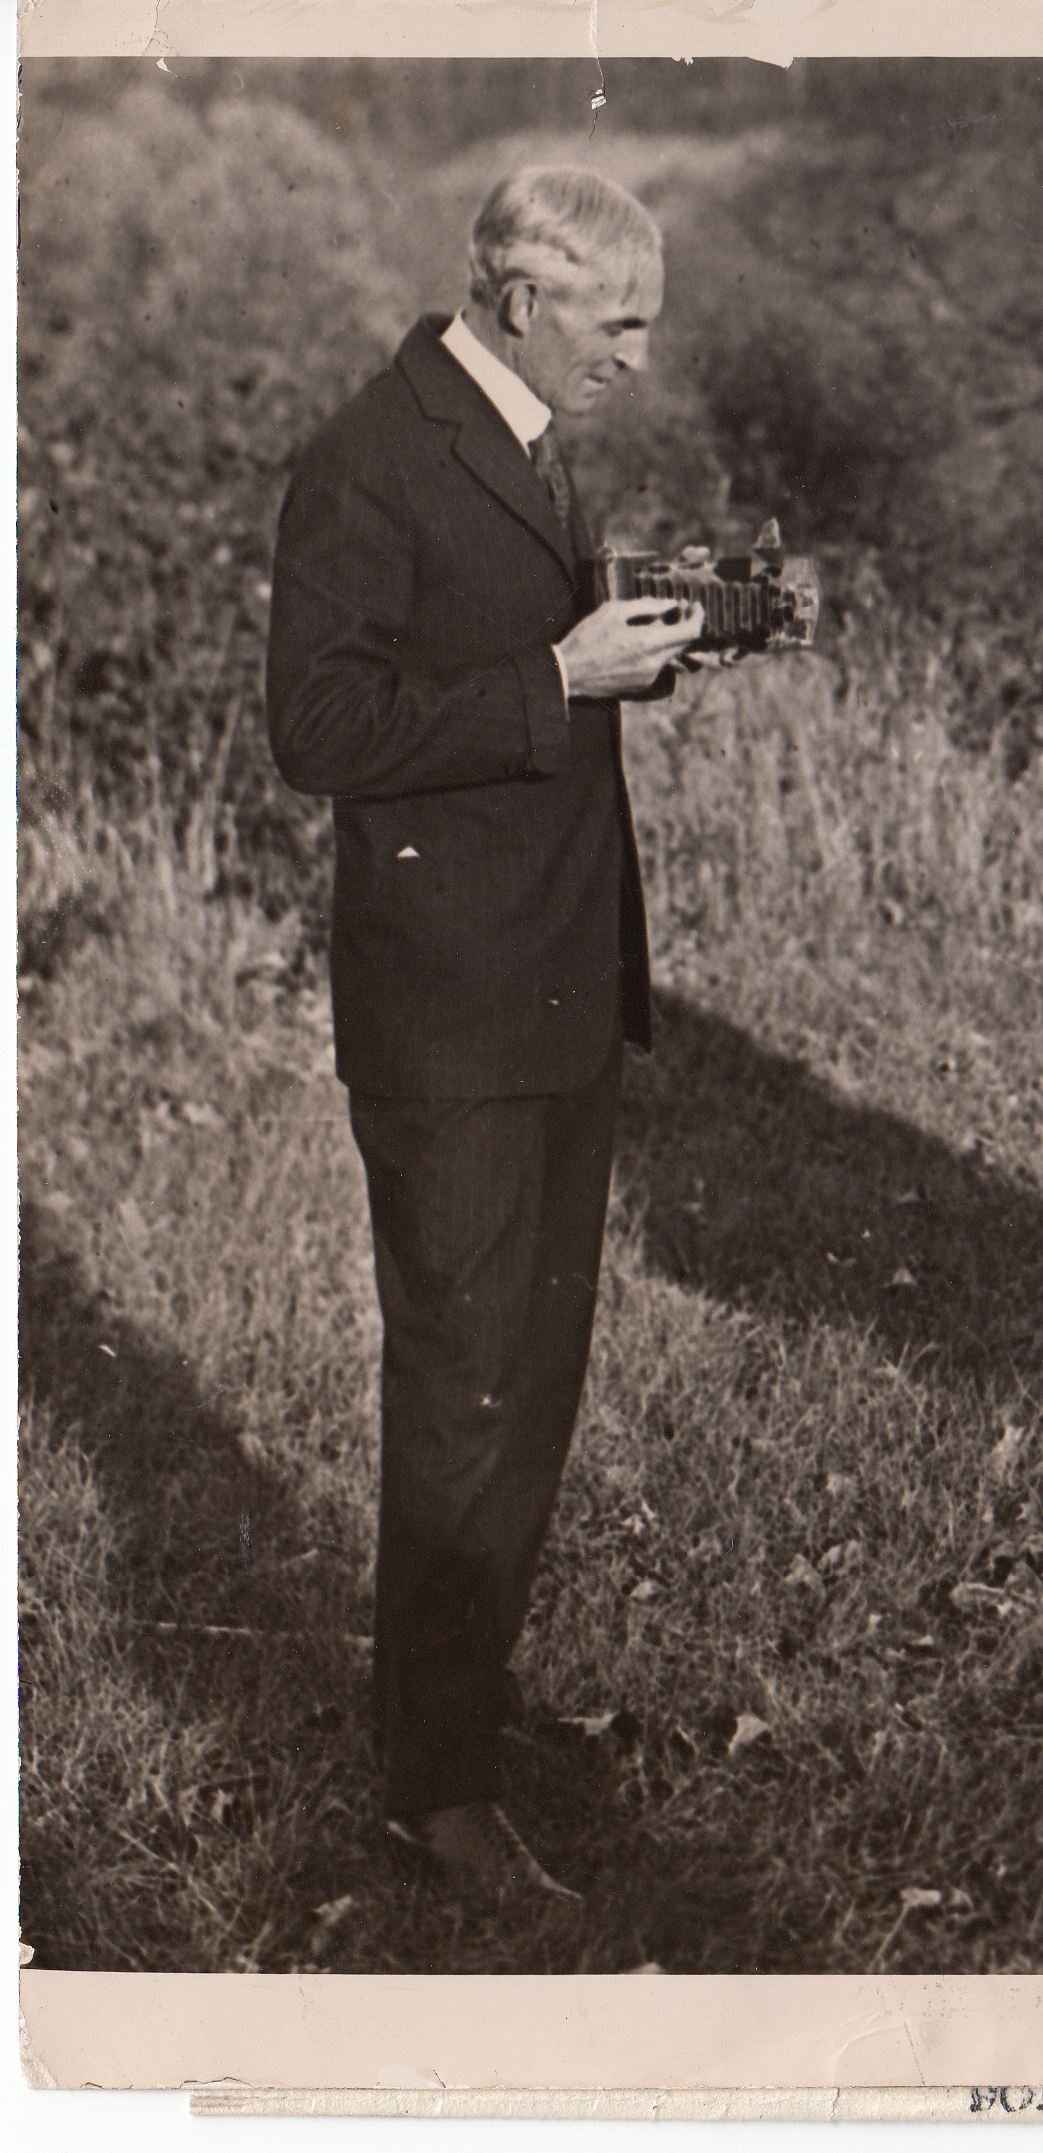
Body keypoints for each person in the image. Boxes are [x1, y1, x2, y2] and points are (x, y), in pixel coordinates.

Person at [267, 166, 705, 1900]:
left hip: (550, 995)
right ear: (522, 297)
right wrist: (555, 685)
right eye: (620, 324)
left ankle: (464, 1713)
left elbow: (498, 660)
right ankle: (433, 1791)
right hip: (451, 1021)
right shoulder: (369, 455)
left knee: (530, 1383)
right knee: (463, 1391)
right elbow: (318, 723)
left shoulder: (519, 430)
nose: (641, 359)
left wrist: (631, 661)